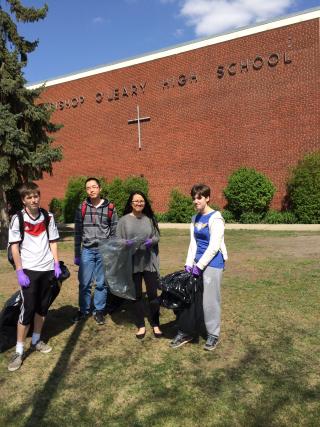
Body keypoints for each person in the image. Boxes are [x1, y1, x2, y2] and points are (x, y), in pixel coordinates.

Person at [7, 182, 61, 372]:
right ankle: (19, 351)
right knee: (27, 310)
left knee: (42, 308)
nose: (33, 199)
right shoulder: (17, 219)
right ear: (23, 200)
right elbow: (14, 246)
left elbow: (53, 240)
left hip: (47, 269)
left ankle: (37, 340)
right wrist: (20, 271)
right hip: (29, 270)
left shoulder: (48, 216)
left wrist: (56, 263)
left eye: (36, 196)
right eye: (29, 197)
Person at [170, 183, 228, 351]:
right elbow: (193, 243)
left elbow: (214, 246)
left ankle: (213, 334)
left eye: (199, 198)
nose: (195, 201)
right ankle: (188, 331)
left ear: (207, 198)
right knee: (191, 298)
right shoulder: (195, 218)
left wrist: (200, 265)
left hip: (213, 264)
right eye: (193, 198)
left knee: (210, 301)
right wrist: (189, 263)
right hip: (197, 263)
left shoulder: (216, 217)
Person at [116, 191, 162, 339]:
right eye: (136, 201)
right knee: (136, 295)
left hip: (149, 262)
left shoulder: (149, 219)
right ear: (131, 203)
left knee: (153, 294)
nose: (139, 203)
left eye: (141, 201)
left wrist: (151, 241)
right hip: (132, 263)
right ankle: (141, 325)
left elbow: (157, 236)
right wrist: (126, 243)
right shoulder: (123, 221)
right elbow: (118, 240)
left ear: (145, 203)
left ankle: (155, 324)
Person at [73, 177, 118, 325]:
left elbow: (114, 231)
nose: (91, 190)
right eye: (88, 188)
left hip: (103, 251)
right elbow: (78, 232)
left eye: (94, 187)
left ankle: (99, 311)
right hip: (87, 250)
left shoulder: (110, 207)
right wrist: (77, 254)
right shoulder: (82, 208)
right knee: (84, 283)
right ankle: (83, 310)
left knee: (101, 283)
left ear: (100, 188)